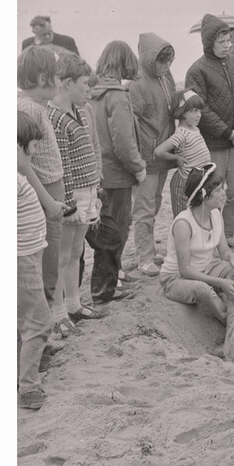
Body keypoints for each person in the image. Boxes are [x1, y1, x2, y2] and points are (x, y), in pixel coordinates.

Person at [46, 53, 105, 336]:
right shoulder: (54, 116)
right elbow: (62, 163)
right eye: (84, 83)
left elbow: (93, 149)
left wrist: (96, 186)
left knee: (77, 251)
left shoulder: (83, 111)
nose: (87, 89)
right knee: (61, 254)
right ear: (67, 83)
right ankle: (58, 313)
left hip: (88, 189)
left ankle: (73, 303)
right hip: (70, 194)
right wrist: (68, 201)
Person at [184, 14, 234, 246]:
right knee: (213, 193)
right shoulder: (197, 71)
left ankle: (226, 235)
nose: (228, 45)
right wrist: (227, 132)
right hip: (214, 142)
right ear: (208, 43)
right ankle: (211, 237)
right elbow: (200, 109)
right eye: (222, 42)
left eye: (230, 40)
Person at [87, 41, 147, 304]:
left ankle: (115, 274)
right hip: (118, 173)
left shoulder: (92, 92)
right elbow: (123, 141)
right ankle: (106, 287)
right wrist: (139, 166)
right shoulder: (118, 96)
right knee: (117, 230)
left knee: (105, 229)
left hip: (98, 171)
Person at [159, 164, 234, 324]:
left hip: (207, 269)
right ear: (203, 195)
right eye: (219, 190)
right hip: (177, 279)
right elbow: (185, 270)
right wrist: (220, 282)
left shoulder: (215, 214)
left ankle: (231, 309)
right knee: (202, 290)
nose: (224, 193)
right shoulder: (183, 224)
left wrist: (233, 256)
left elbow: (224, 252)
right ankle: (225, 320)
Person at [17, 47, 65, 306]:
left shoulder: (35, 105)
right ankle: (37, 335)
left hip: (48, 191)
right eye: (56, 76)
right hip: (42, 195)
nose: (59, 81)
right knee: (44, 268)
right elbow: (23, 164)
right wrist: (48, 201)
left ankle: (40, 330)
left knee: (49, 265)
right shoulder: (28, 110)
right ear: (40, 79)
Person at [16, 111, 56, 410]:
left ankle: (21, 375)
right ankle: (28, 388)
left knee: (22, 320)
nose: (35, 152)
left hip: (27, 257)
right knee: (39, 321)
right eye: (32, 146)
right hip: (22, 261)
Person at [129, 33, 176, 276]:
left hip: (164, 154)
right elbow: (131, 120)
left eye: (169, 61)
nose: (167, 66)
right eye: (162, 61)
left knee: (155, 204)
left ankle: (148, 250)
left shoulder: (166, 78)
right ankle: (144, 257)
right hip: (147, 156)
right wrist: (138, 152)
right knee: (144, 208)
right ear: (149, 59)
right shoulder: (138, 83)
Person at [155, 90, 213, 217]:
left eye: (199, 111)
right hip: (184, 183)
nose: (199, 115)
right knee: (183, 216)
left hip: (197, 180)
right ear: (182, 112)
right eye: (194, 111)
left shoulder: (194, 129)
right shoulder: (181, 134)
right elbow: (159, 151)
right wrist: (176, 158)